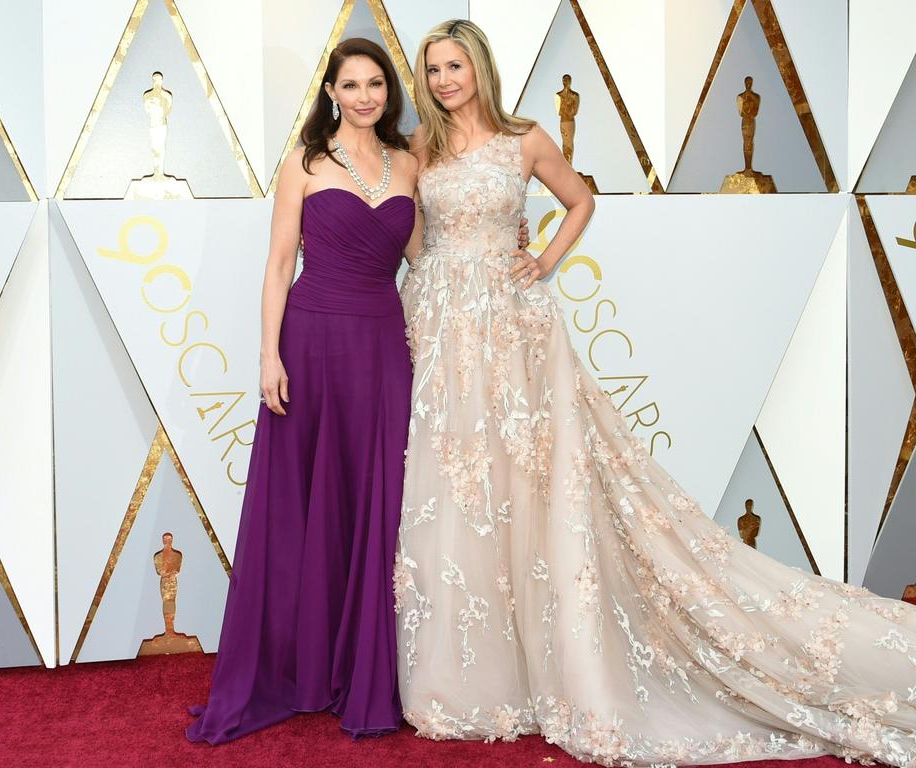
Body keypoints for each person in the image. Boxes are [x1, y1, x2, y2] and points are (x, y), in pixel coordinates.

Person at [395, 19, 916, 766]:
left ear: (478, 67)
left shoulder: (526, 138)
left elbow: (580, 202)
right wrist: (438, 266)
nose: (445, 80)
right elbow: (408, 231)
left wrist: (538, 261)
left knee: (529, 481)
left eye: (454, 65)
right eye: (433, 69)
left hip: (514, 331)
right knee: (455, 486)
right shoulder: (422, 148)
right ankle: (470, 676)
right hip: (442, 326)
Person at [186, 37, 417, 743]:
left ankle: (366, 667)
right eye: (351, 84)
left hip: (382, 341)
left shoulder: (410, 162)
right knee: (313, 501)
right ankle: (306, 666)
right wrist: (267, 356)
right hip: (311, 344)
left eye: (376, 83)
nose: (366, 96)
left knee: (381, 499)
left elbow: (425, 255)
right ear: (330, 91)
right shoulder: (305, 163)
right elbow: (281, 260)